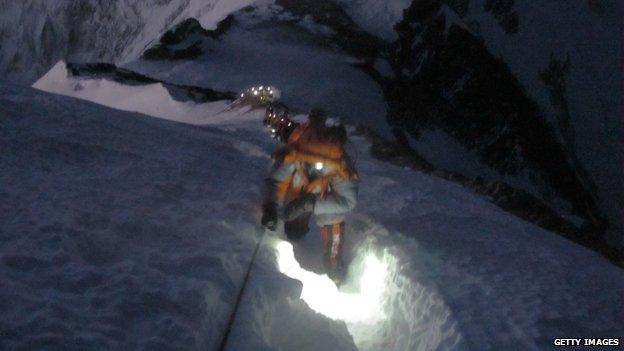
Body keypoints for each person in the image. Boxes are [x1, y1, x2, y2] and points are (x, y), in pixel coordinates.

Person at [261, 108, 359, 283]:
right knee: (293, 225)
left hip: (322, 197)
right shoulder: (295, 155)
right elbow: (275, 182)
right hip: (300, 190)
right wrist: (270, 207)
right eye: (307, 161)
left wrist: (310, 204)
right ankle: (294, 231)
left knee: (333, 216)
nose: (311, 166)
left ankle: (333, 263)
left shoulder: (340, 166)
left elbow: (347, 201)